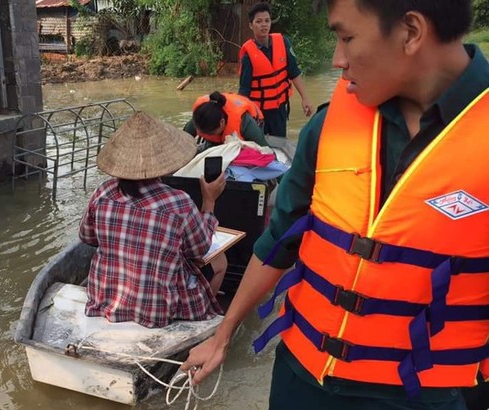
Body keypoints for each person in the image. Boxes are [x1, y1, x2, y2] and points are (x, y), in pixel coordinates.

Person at [181, 1, 489, 409]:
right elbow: (278, 241)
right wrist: (222, 336)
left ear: (411, 32)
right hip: (303, 378)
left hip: (427, 395)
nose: (337, 60)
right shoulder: (328, 126)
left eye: (346, 38)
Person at [78, 111, 228, 328]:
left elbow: (87, 236)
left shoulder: (102, 192)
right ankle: (202, 321)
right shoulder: (178, 203)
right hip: (158, 311)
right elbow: (200, 248)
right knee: (220, 263)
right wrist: (209, 200)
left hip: (104, 299)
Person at [238, 2, 313, 137]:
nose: (264, 25)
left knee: (280, 142)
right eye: (259, 21)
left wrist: (305, 98)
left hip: (279, 110)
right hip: (258, 113)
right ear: (251, 25)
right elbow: (244, 91)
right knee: (262, 149)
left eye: (267, 21)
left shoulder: (283, 43)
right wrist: (242, 117)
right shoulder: (248, 56)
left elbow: (294, 72)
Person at [184, 91, 268, 152]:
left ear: (222, 122)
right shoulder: (200, 117)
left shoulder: (245, 122)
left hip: (251, 122)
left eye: (210, 133)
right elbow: (181, 140)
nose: (206, 135)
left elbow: (265, 150)